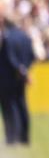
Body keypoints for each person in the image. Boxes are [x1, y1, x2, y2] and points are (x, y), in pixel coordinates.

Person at [0, 9, 35, 145]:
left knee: (9, 107)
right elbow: (32, 56)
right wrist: (25, 72)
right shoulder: (25, 36)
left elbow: (10, 58)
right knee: (22, 105)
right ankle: (24, 137)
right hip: (21, 77)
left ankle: (12, 137)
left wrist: (20, 70)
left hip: (8, 78)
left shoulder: (7, 38)